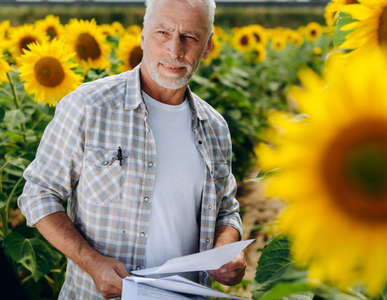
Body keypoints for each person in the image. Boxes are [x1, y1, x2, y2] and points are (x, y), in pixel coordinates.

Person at [17, 0, 245, 298]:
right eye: (163, 33)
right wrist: (92, 262)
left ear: (208, 46)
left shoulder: (214, 127)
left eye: (190, 37)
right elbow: (39, 194)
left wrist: (227, 248)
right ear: (142, 35)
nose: (174, 50)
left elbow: (226, 210)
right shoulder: (89, 106)